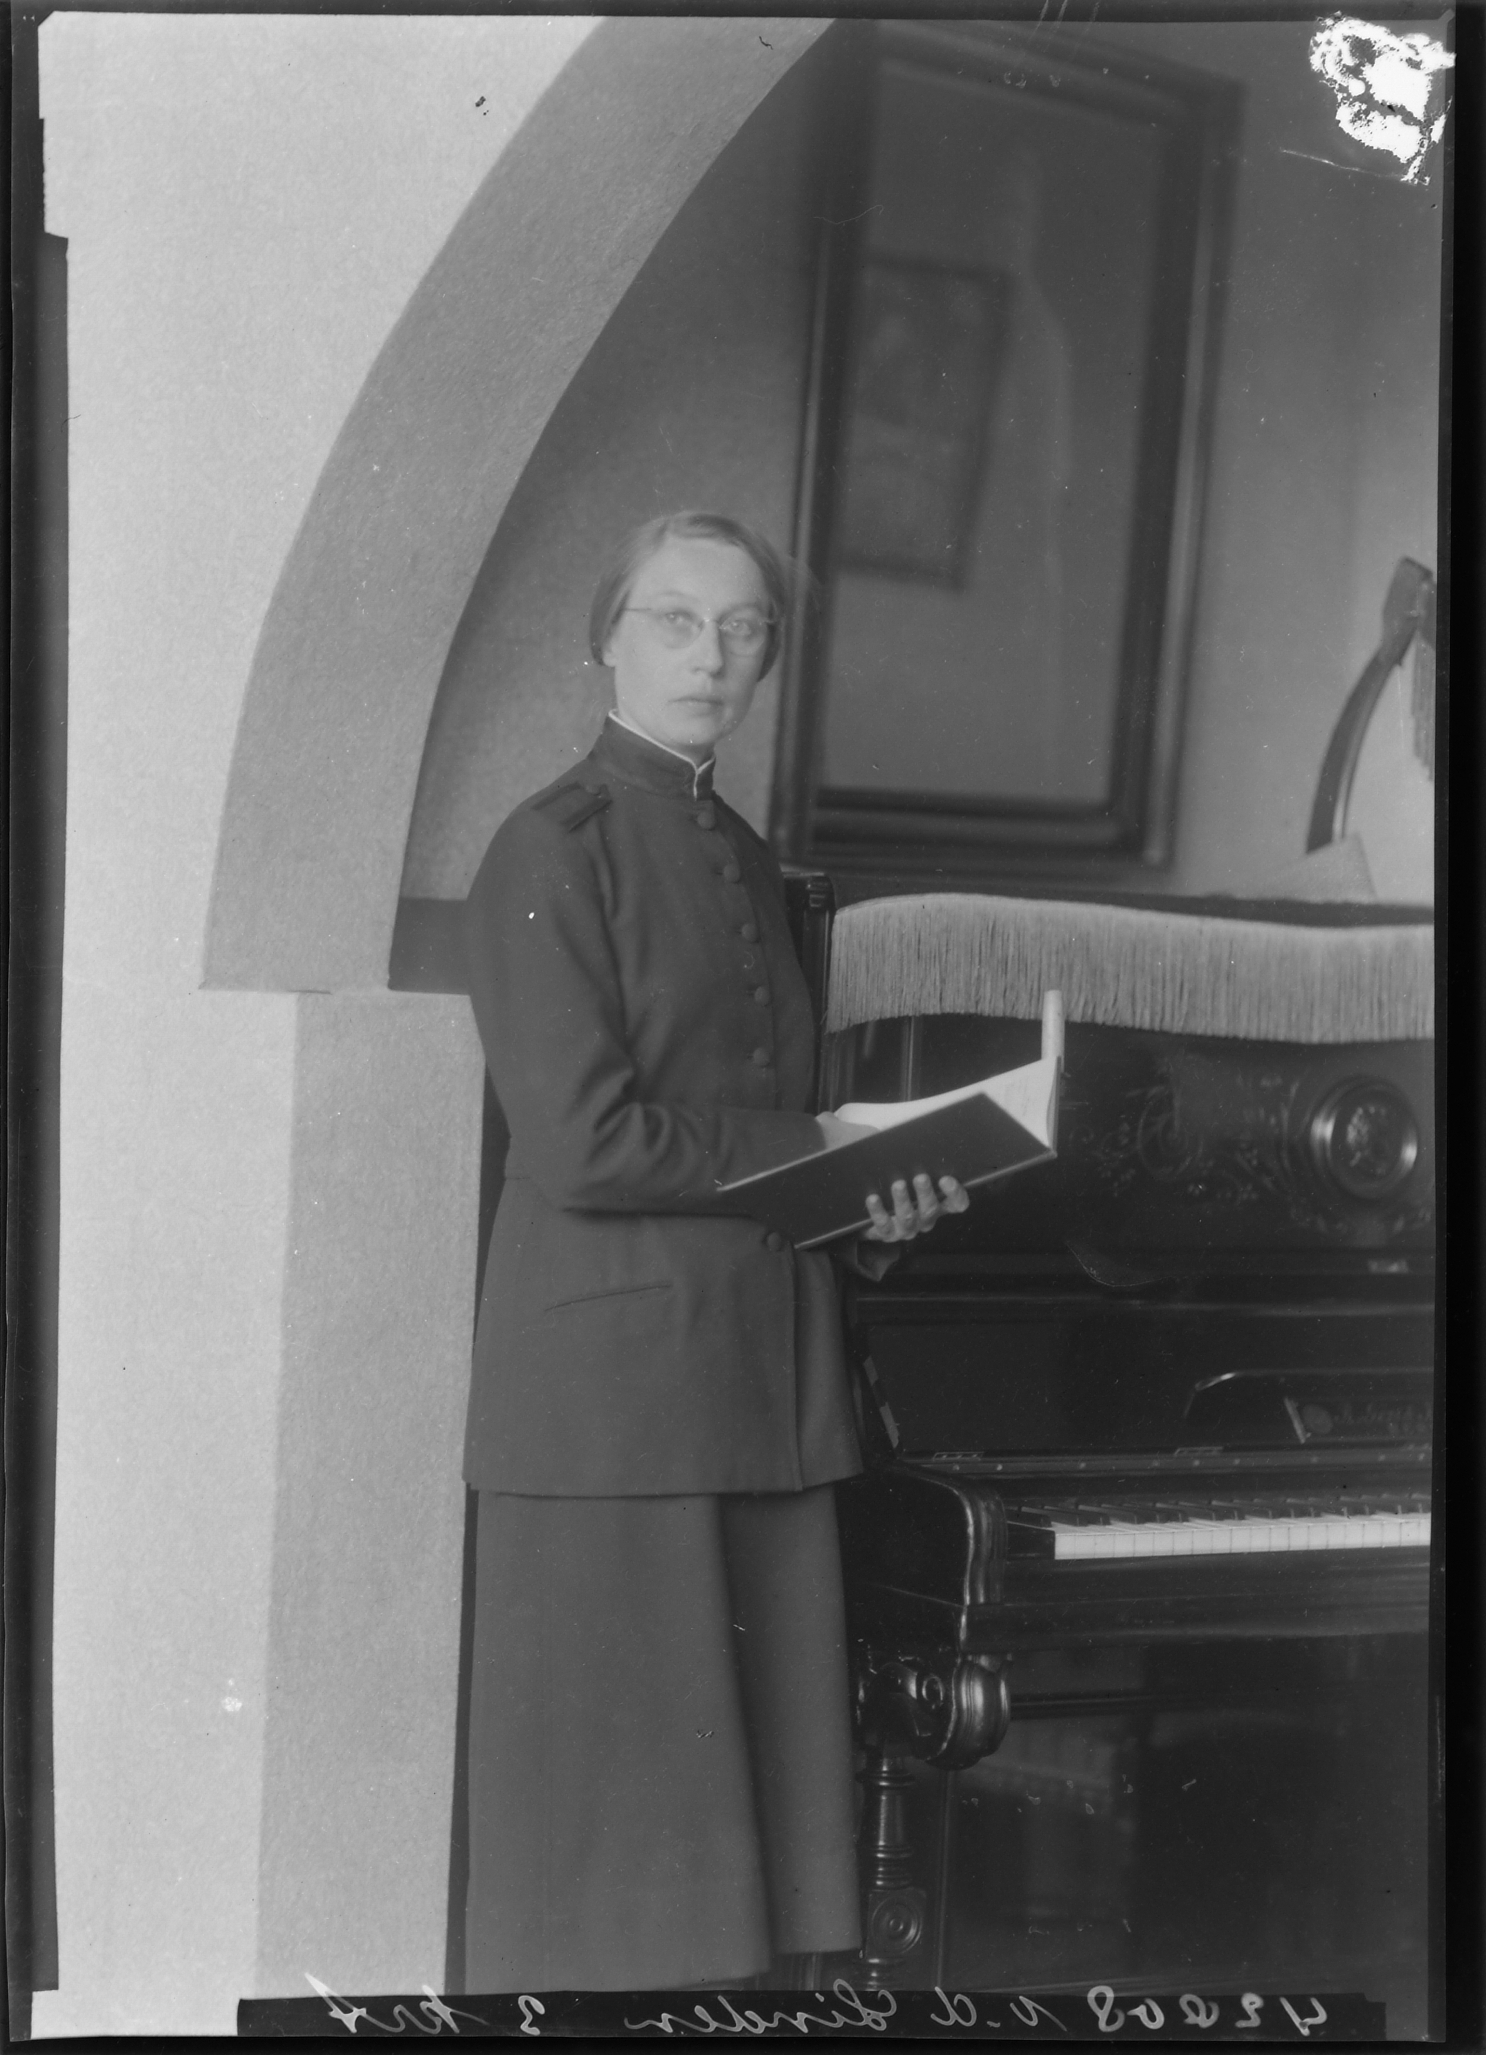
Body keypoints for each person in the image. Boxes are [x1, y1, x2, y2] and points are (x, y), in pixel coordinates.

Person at [459, 510, 968, 1993]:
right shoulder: (548, 847)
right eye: (676, 621)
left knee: (744, 1921)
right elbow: (583, 1144)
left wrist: (870, 1205)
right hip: (614, 1416)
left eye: (743, 630)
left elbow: (753, 1147)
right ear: (606, 640)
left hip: (759, 1396)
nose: (711, 656)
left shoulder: (742, 855)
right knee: (613, 1901)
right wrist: (817, 1146)